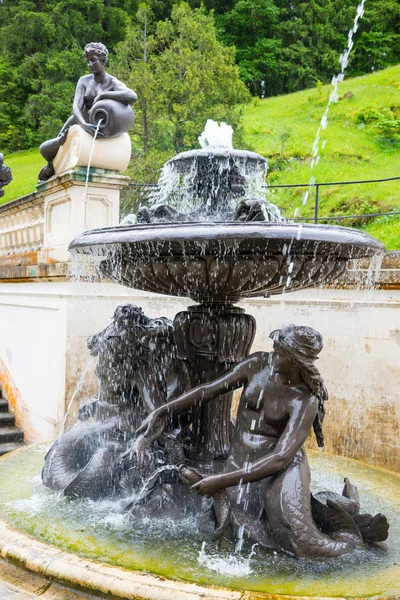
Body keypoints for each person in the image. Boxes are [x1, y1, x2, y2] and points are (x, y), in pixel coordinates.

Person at [137, 324, 388, 557]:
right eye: (275, 349)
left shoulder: (305, 399)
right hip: (241, 462)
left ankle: (350, 531)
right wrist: (162, 410)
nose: (275, 356)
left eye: (282, 354)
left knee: (301, 541)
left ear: (298, 360)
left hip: (281, 469)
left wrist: (219, 481)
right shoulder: (257, 363)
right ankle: (327, 508)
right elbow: (208, 390)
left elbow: (281, 458)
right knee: (232, 528)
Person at [39, 42, 137, 180]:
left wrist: (104, 95)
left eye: (93, 60)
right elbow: (76, 108)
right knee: (46, 148)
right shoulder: (84, 81)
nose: (90, 64)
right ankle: (51, 165)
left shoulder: (112, 82)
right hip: (78, 120)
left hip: (99, 123)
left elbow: (132, 96)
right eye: (88, 61)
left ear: (102, 60)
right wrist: (83, 125)